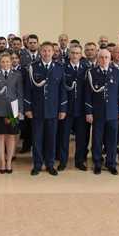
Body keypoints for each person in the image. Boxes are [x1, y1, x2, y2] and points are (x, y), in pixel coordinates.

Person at [24, 41, 67, 176]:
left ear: (53, 52)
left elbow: (62, 91)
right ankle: (37, 164)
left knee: (51, 138)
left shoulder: (59, 68)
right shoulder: (33, 68)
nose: (47, 53)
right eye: (44, 51)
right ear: (40, 52)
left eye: (49, 51)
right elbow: (28, 90)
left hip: (53, 110)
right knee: (37, 139)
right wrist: (28, 108)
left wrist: (62, 109)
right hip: (37, 110)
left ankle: (50, 164)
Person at [85, 49, 119, 175]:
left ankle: (111, 163)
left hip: (113, 113)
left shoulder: (116, 72)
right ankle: (97, 163)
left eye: (107, 57)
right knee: (97, 140)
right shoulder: (91, 73)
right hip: (97, 114)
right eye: (102, 57)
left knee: (112, 140)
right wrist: (88, 112)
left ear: (111, 58)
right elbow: (87, 95)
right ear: (98, 59)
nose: (104, 60)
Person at [0, 53, 24, 174]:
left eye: (7, 62)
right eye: (3, 62)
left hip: (12, 110)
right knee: (0, 137)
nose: (5, 64)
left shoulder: (17, 75)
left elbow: (20, 94)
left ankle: (9, 161)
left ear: (11, 62)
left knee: (11, 137)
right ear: (0, 63)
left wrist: (20, 110)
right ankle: (2, 162)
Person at [58, 45, 87, 171]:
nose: (75, 55)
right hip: (67, 109)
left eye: (78, 53)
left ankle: (79, 161)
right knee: (64, 137)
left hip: (81, 110)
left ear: (81, 55)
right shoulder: (63, 68)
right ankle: (63, 161)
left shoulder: (86, 69)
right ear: (69, 54)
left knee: (81, 138)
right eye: (73, 53)